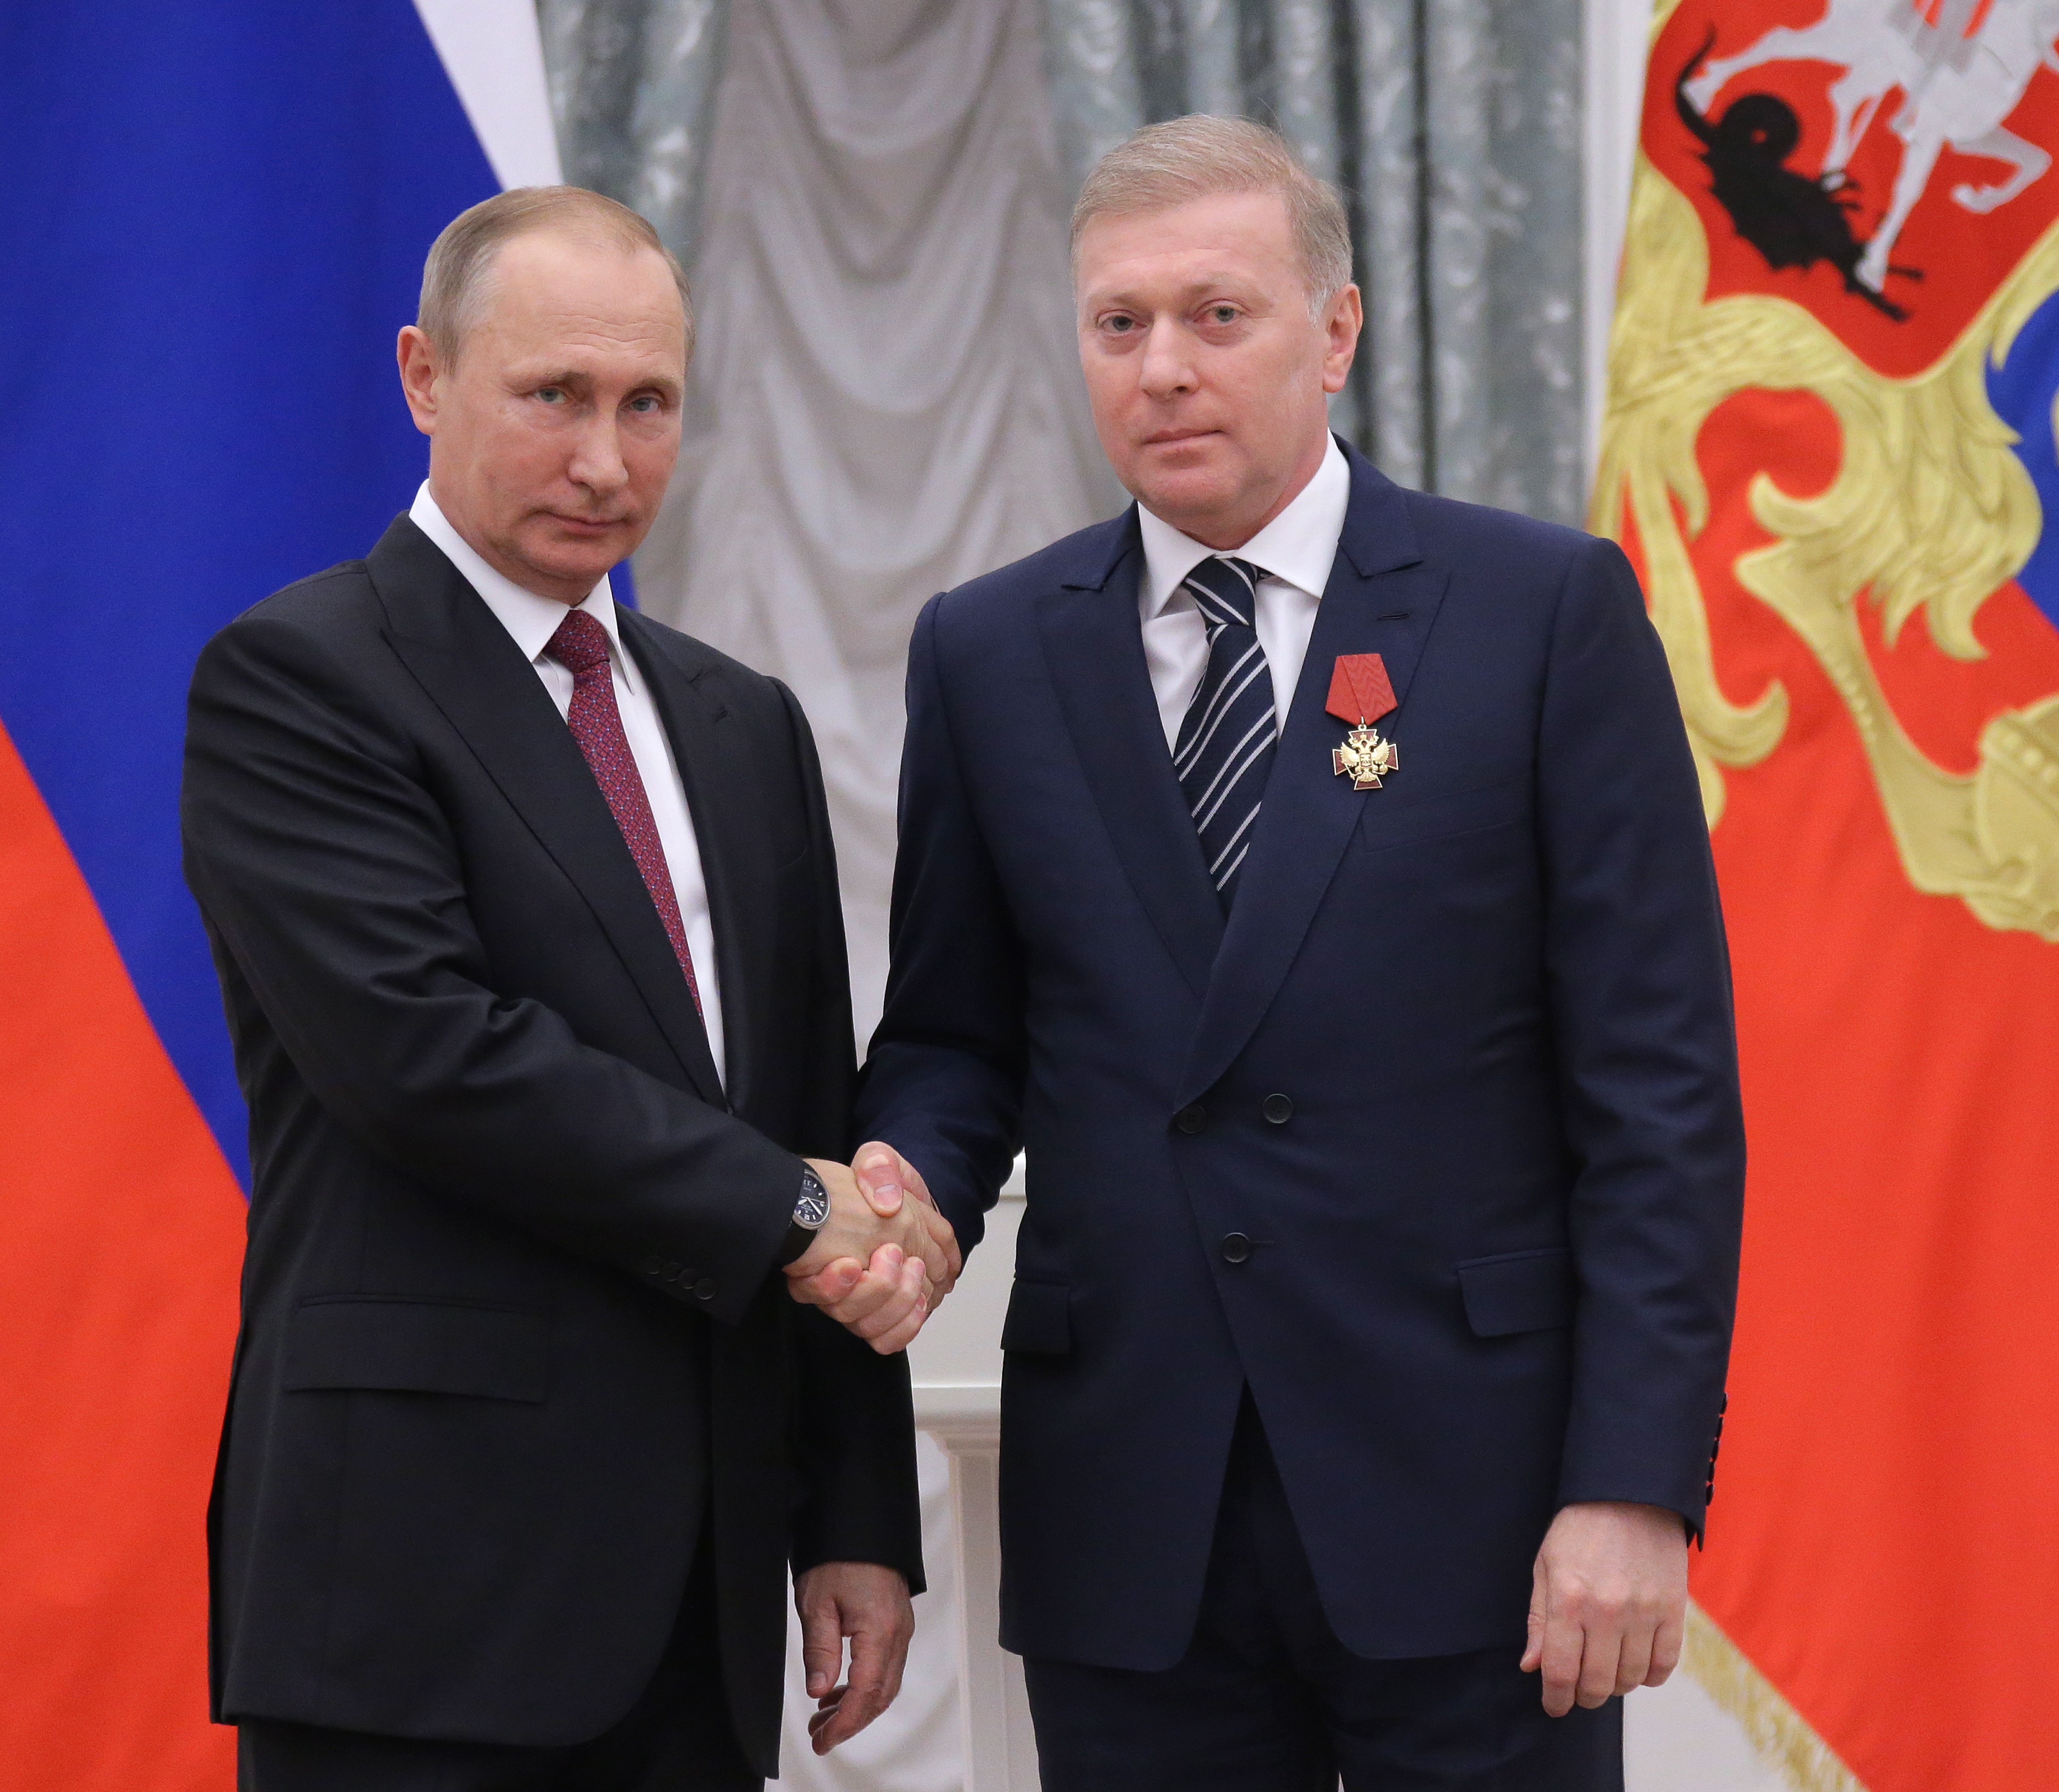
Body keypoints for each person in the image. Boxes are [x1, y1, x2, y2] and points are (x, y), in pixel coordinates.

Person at [851, 117, 1745, 1789]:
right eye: (1119, 323)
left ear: (1335, 332)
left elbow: (1660, 1095)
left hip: (1477, 1513)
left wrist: (1632, 1483)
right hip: (1135, 1514)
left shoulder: (1539, 613)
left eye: (1218, 315)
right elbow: (958, 1036)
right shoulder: (989, 650)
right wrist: (911, 1180)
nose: (1163, 368)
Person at [181, 186, 958, 1792]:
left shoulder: (743, 723)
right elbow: (431, 1059)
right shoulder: (301, 677)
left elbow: (807, 1107)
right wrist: (799, 1211)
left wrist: (855, 1517)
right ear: (424, 375)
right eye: (554, 396)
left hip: (700, 1611)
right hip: (421, 1598)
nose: (606, 461)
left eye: (648, 403)